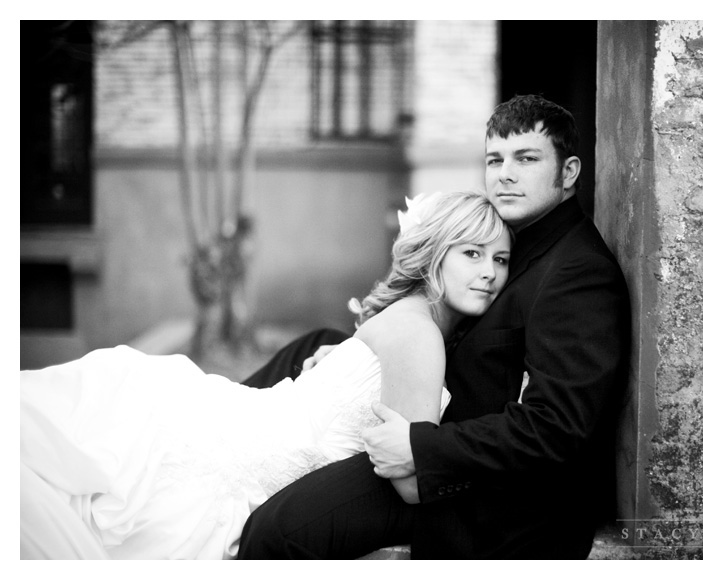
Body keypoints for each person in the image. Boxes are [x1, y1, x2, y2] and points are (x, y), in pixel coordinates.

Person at [237, 94, 631, 559]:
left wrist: (422, 448)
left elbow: (558, 426)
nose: (504, 174)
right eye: (494, 160)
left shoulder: (577, 272)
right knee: (314, 346)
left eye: (526, 159)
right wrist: (359, 356)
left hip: (484, 494)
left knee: (277, 531)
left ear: (568, 173)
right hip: (430, 419)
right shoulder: (516, 241)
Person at [19, 190, 512, 559]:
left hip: (244, 422)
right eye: (472, 253)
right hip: (248, 456)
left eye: (501, 259)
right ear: (435, 254)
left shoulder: (405, 317)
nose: (489, 271)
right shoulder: (421, 337)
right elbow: (409, 483)